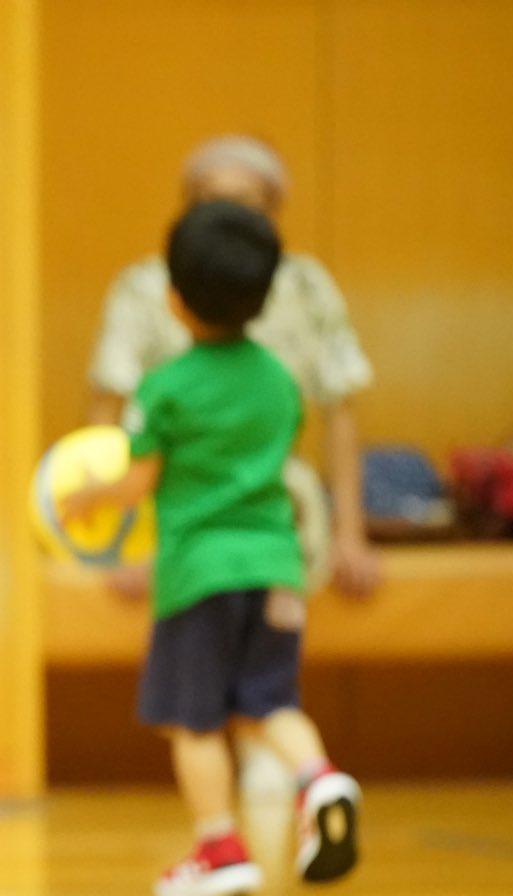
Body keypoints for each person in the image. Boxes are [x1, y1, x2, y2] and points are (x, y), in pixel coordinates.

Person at [62, 202, 362, 896]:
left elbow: (139, 481)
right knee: (268, 702)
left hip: (199, 573)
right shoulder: (279, 381)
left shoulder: (166, 388)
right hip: (279, 567)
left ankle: (220, 849)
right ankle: (319, 777)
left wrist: (85, 500)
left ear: (173, 296)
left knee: (192, 720)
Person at [86, 134, 380, 598]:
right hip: (173, 509)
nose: (225, 222)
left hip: (275, 512)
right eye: (209, 204)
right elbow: (110, 419)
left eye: (245, 206)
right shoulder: (143, 290)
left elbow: (340, 411)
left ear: (274, 215)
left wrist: (351, 534)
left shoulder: (305, 288)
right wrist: (124, 541)